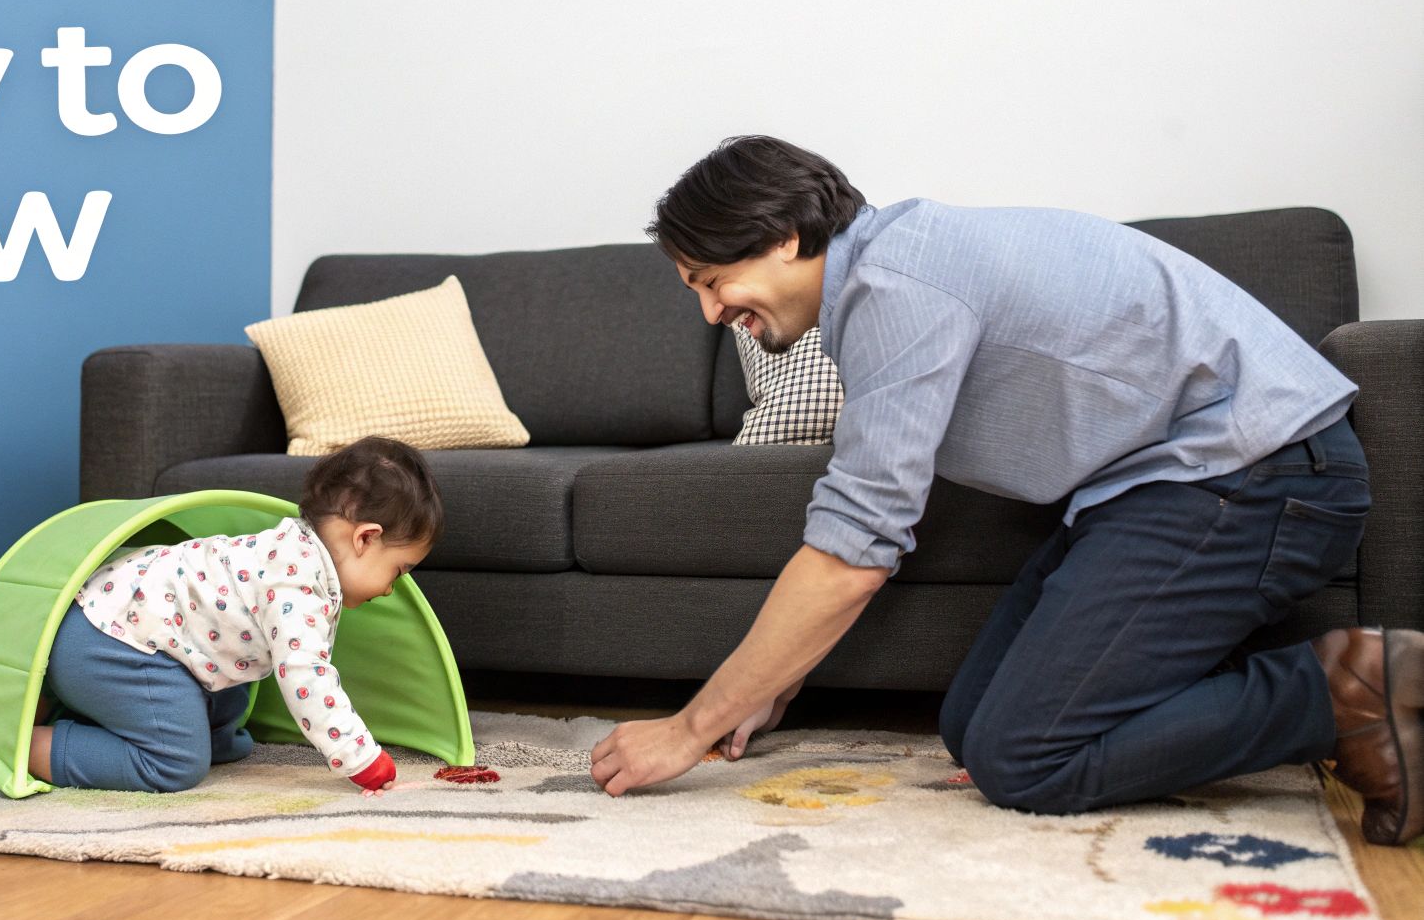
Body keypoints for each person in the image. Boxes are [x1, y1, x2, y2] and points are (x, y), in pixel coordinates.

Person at [589, 135, 1423, 847]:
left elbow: (853, 551)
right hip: (1166, 487)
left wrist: (692, 728)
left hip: (1257, 475)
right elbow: (873, 514)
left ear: (781, 236)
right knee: (973, 724)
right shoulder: (896, 269)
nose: (710, 313)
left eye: (711, 280)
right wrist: (773, 675)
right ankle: (1167, 675)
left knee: (1024, 757)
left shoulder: (898, 288)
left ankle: (1350, 689)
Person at [27, 436, 443, 795]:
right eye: (398, 571)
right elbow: (306, 676)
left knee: (232, 698)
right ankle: (28, 744)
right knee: (176, 764)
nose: (390, 589)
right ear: (365, 538)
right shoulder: (295, 583)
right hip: (111, 643)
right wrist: (361, 759)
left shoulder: (289, 550)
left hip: (120, 631)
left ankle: (104, 716)